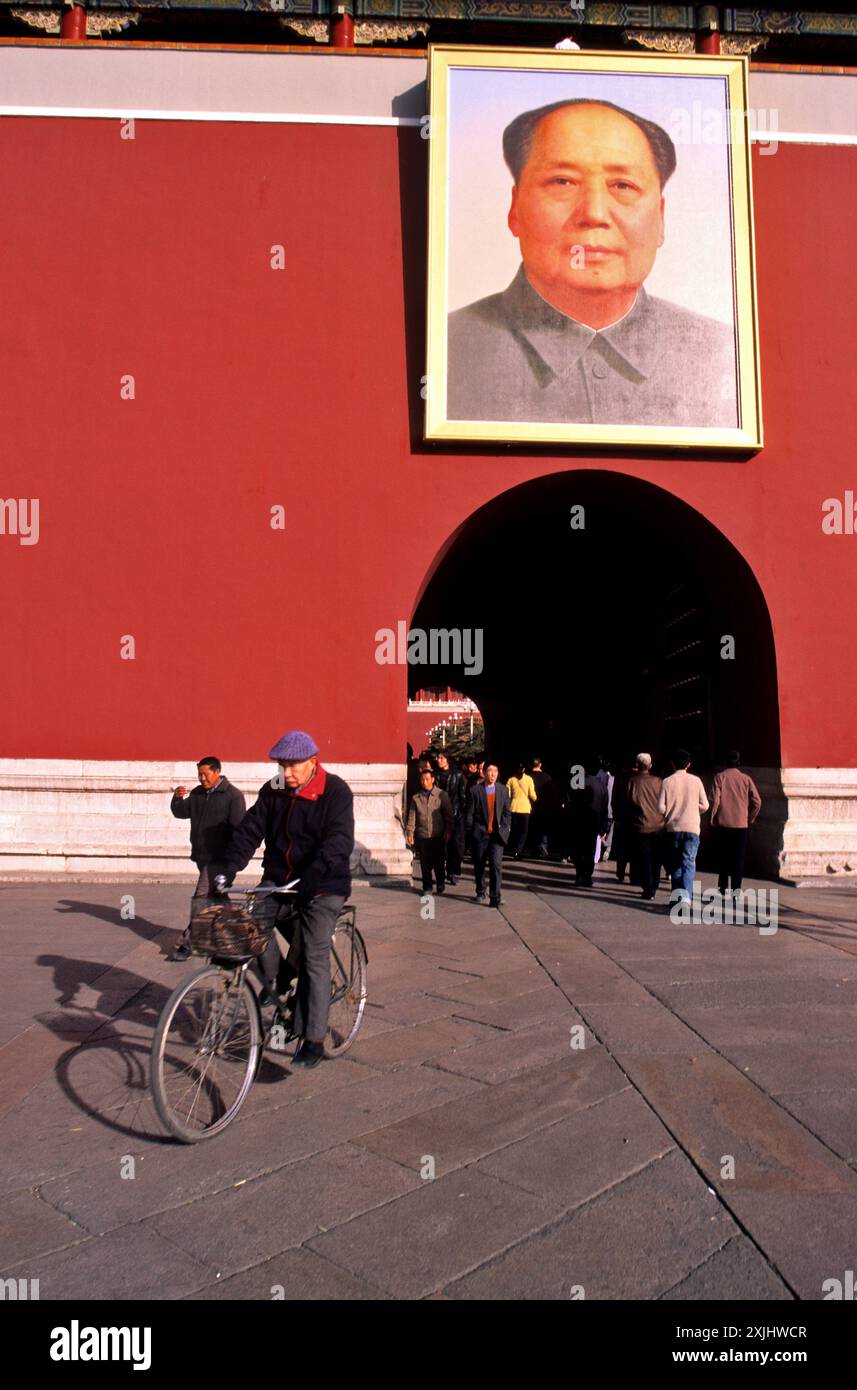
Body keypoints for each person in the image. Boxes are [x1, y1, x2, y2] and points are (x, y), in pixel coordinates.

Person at [447, 98, 736, 429]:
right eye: (563, 182)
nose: (594, 214)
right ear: (515, 209)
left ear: (660, 217)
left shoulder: (723, 355)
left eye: (622, 186)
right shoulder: (447, 351)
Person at [218, 730, 354, 1069]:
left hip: (324, 884)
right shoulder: (274, 790)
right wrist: (228, 869)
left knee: (313, 955)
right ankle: (280, 979)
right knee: (250, 926)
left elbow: (339, 839)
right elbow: (250, 830)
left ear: (313, 761)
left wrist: (316, 871)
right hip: (280, 880)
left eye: (293, 766)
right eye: (282, 765)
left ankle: (314, 1038)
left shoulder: (335, 792)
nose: (286, 773)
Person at [169, 758, 246, 961]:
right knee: (218, 898)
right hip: (201, 856)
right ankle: (241, 934)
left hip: (221, 858)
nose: (202, 779)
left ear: (218, 771)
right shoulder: (197, 794)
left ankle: (188, 942)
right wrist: (176, 799)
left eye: (206, 774)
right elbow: (180, 812)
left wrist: (235, 859)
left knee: (202, 896)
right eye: (199, 775)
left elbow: (240, 829)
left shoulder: (233, 796)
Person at [658, 748, 709, 906]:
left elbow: (660, 808)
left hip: (673, 828)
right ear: (689, 765)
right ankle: (685, 897)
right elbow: (705, 805)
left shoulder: (667, 781)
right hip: (692, 827)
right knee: (688, 862)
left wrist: (669, 813)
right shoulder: (696, 781)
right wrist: (694, 809)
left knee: (675, 864)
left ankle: (676, 898)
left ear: (672, 764)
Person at [710, 750, 762, 895]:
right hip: (741, 824)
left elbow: (715, 800)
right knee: (738, 858)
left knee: (723, 856)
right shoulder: (746, 779)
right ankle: (736, 890)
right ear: (738, 763)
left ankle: (723, 886)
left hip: (723, 823)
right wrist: (749, 817)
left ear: (725, 762)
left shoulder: (719, 777)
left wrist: (713, 817)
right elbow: (757, 802)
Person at [465, 760, 511, 907]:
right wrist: (471, 832)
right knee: (479, 864)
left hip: (497, 835)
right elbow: (469, 814)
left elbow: (506, 813)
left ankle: (495, 896)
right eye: (490, 771)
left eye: (495, 771)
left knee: (496, 865)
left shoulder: (503, 790)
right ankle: (480, 890)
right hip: (480, 834)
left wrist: (506, 828)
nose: (493, 774)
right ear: (484, 773)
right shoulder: (475, 791)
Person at [406, 766, 453, 895]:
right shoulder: (416, 798)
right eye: (422, 780)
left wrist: (448, 830)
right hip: (422, 835)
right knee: (425, 863)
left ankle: (440, 882)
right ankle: (427, 886)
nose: (424, 782)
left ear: (432, 780)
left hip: (438, 834)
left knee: (438, 861)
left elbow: (448, 815)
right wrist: (410, 833)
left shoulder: (441, 795)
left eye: (427, 779)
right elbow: (412, 817)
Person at [626, 752, 665, 900]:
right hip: (658, 825)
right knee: (656, 858)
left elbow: (628, 803)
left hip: (640, 825)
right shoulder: (659, 781)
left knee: (644, 858)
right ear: (650, 765)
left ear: (637, 765)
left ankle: (648, 888)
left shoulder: (633, 782)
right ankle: (654, 885)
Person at [433, 750, 466, 884]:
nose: (438, 760)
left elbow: (462, 796)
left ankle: (454, 872)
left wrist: (462, 813)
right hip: (439, 814)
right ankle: (443, 872)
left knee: (456, 845)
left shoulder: (458, 775)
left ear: (447, 759)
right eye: (438, 758)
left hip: (456, 814)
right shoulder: (435, 775)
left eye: (441, 758)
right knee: (442, 846)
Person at [506, 762, 537, 857]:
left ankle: (513, 847)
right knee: (523, 831)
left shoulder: (511, 780)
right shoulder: (529, 779)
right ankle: (518, 850)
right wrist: (535, 799)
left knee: (515, 830)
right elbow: (532, 795)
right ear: (524, 769)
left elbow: (508, 795)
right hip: (525, 808)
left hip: (514, 807)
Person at [527, 757, 553, 857]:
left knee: (533, 827)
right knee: (544, 826)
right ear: (540, 764)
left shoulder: (528, 777)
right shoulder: (547, 777)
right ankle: (543, 845)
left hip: (531, 805)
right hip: (544, 804)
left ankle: (534, 847)